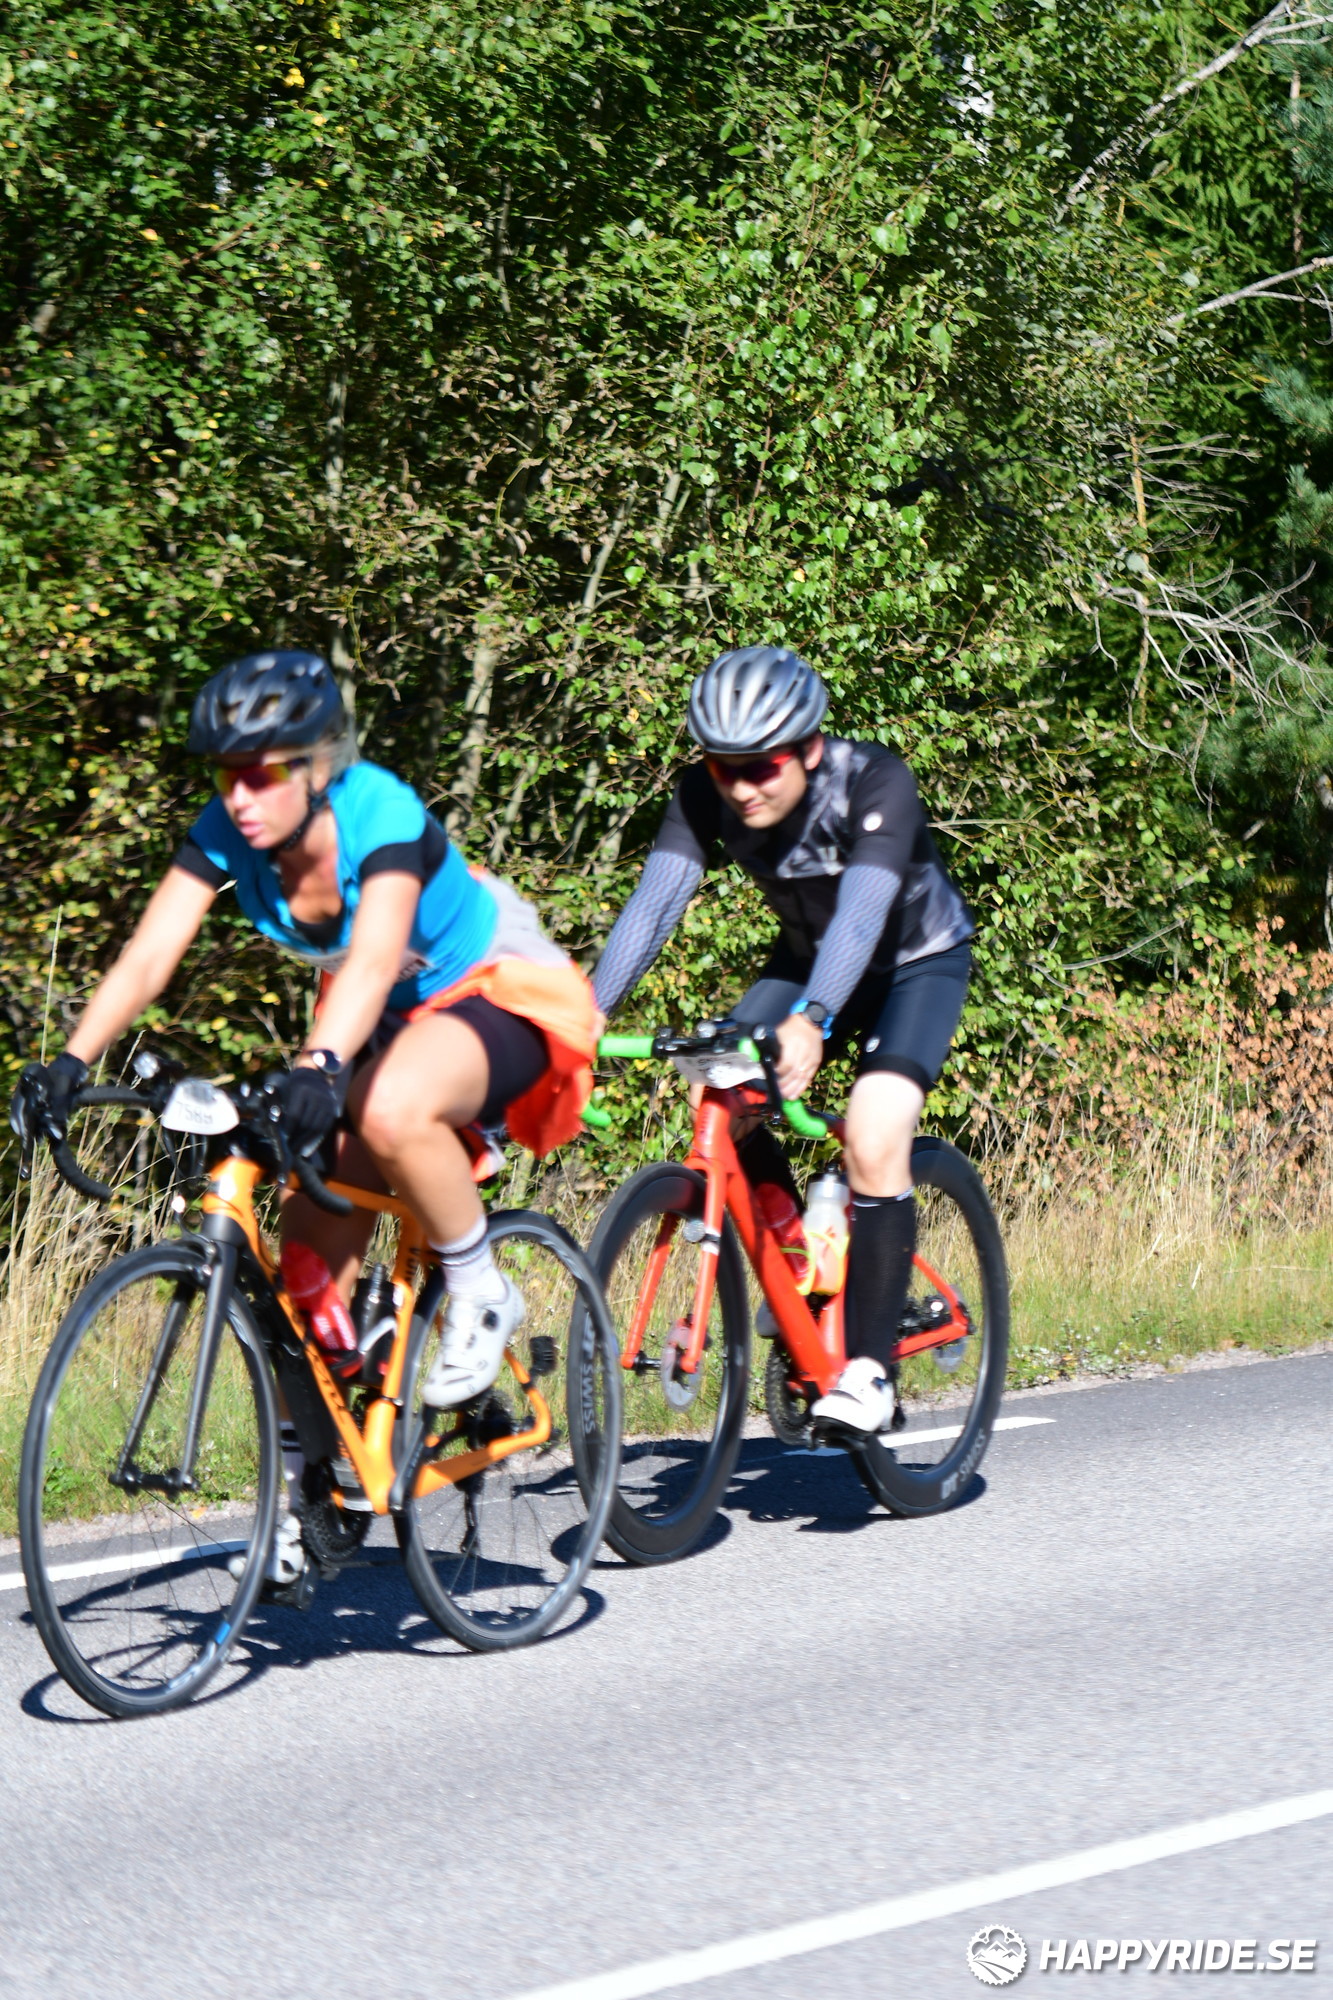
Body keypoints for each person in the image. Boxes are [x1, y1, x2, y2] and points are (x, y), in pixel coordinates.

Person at [10, 648, 597, 1589]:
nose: (241, 797)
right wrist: (70, 1062)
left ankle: (481, 1288)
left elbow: (373, 958)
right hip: (374, 1019)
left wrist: (320, 1066)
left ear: (319, 765)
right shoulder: (230, 830)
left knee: (392, 1106)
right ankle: (314, 1480)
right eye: (226, 776)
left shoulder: (379, 812)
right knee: (304, 1272)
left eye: (263, 774)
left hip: (493, 991)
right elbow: (151, 952)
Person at [592, 644, 974, 1434]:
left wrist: (814, 1018)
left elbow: (862, 916)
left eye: (760, 766)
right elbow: (654, 905)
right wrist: (586, 1011)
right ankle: (799, 1257)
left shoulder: (873, 782)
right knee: (716, 1092)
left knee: (873, 1133)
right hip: (806, 963)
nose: (740, 787)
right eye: (722, 766)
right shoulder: (704, 794)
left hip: (914, 964)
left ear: (807, 748)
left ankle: (869, 1371)